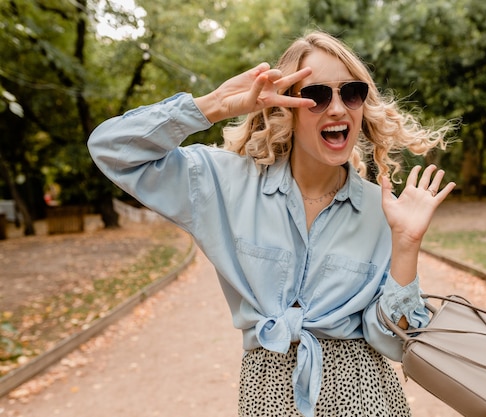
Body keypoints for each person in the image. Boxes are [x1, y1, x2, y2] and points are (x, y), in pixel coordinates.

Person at [88, 30, 456, 417]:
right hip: (266, 397)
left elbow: (391, 341)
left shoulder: (383, 211)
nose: (336, 109)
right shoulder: (227, 183)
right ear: (287, 108)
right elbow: (112, 150)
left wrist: (407, 243)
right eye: (316, 96)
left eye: (351, 93)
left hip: (366, 397)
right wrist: (212, 105)